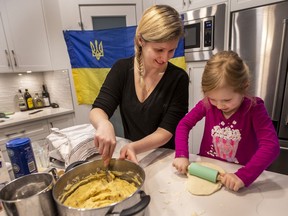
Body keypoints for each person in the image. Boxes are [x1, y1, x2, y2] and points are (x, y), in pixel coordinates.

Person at [90, 5, 189, 166]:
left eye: (171, 50)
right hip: (132, 155)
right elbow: (98, 109)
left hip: (165, 158)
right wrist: (103, 123)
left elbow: (166, 131)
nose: (165, 58)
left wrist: (134, 147)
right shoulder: (121, 69)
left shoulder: (178, 78)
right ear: (141, 40)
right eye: (159, 50)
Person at [173, 50, 280, 191]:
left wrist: (244, 175)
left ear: (244, 87)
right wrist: (181, 154)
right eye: (212, 98)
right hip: (208, 169)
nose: (219, 105)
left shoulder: (254, 109)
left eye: (227, 100)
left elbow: (271, 146)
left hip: (237, 173)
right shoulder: (207, 104)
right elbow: (184, 124)